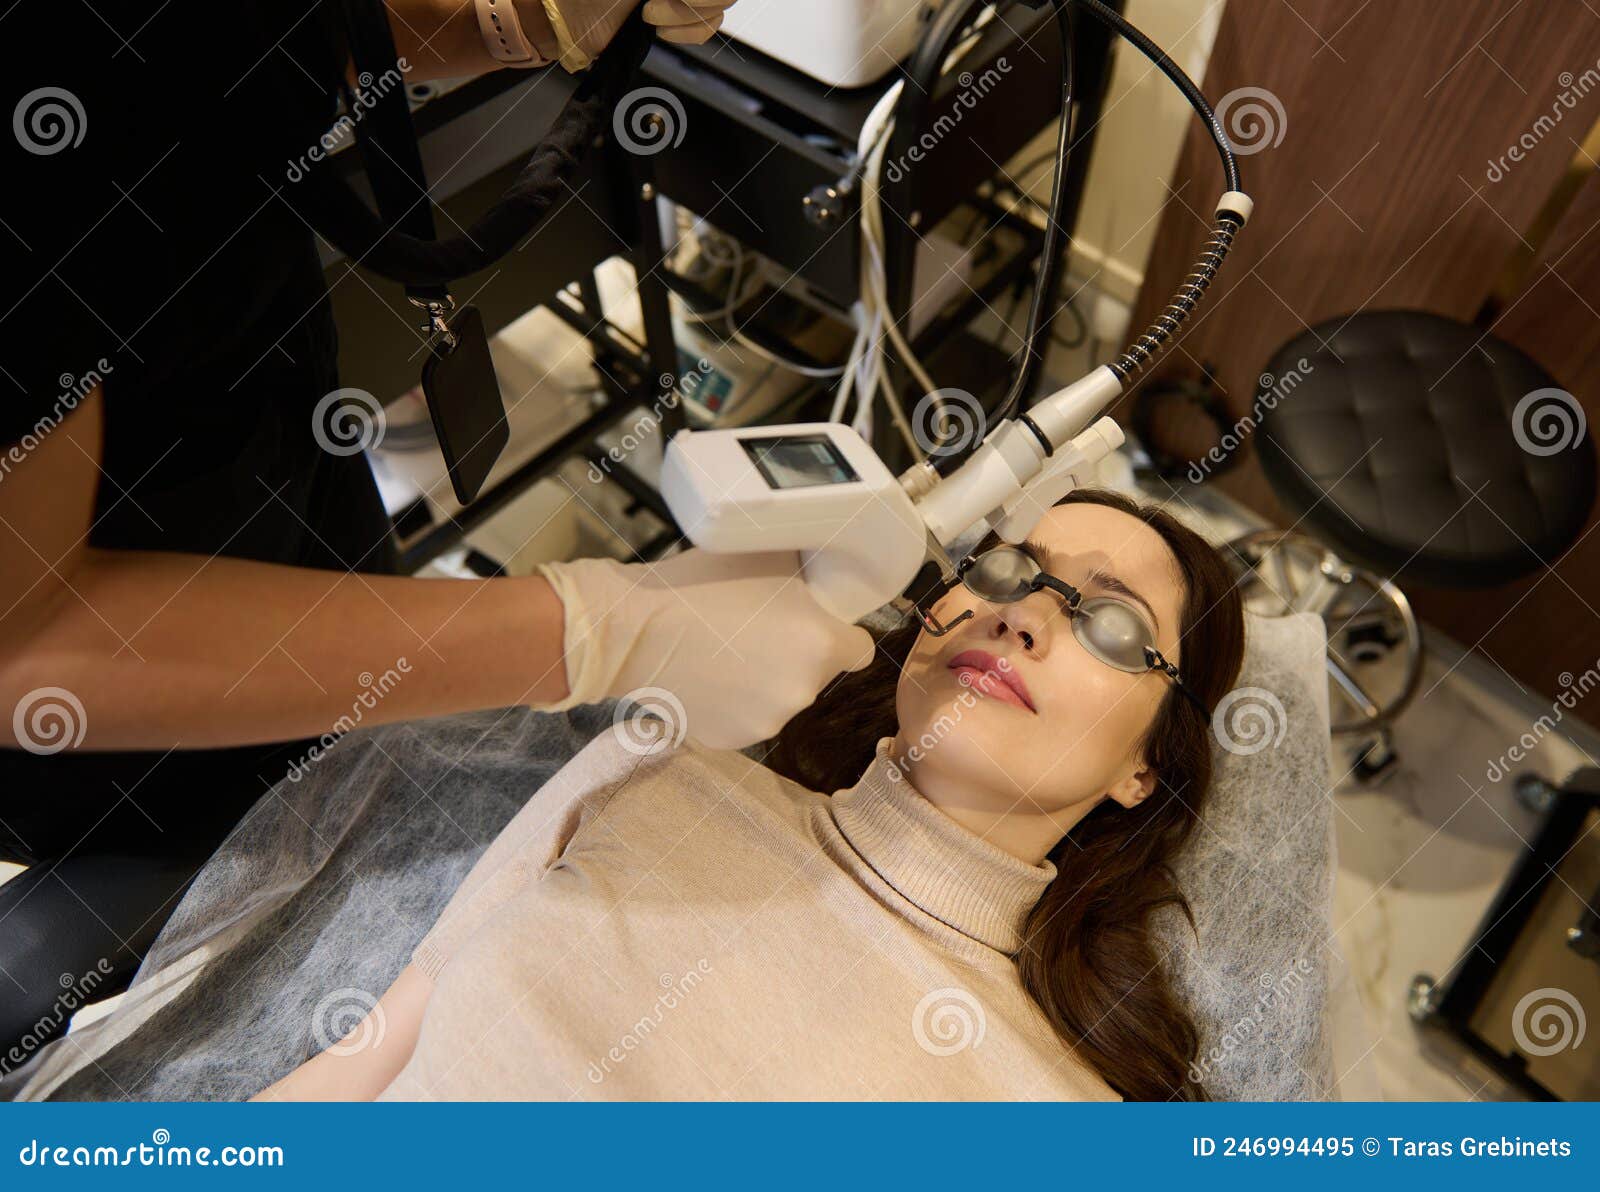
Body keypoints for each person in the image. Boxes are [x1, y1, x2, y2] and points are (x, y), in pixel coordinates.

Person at [0, 0, 882, 1065]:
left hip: (261, 449)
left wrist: (521, 25)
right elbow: (22, 645)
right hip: (116, 703)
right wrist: (588, 629)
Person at [254, 489, 1247, 1102]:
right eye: (1006, 567)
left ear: (1144, 768)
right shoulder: (660, 774)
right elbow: (357, 1068)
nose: (1023, 612)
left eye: (1110, 625)